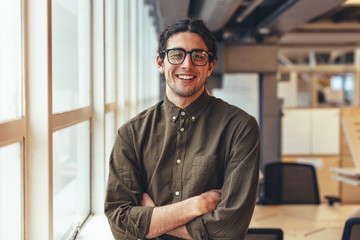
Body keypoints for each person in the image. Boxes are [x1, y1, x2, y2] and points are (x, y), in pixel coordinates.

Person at [104, 18, 260, 240]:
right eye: (177, 55)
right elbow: (119, 222)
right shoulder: (131, 134)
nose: (187, 64)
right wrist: (197, 205)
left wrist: (153, 217)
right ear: (160, 63)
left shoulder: (240, 128)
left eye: (198, 56)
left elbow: (228, 230)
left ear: (210, 66)